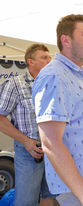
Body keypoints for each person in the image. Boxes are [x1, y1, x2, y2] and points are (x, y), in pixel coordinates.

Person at [32, 14, 83, 206]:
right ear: (66, 40)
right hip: (78, 189)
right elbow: (50, 142)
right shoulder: (54, 76)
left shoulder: (77, 74)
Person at [0, 44, 55, 206]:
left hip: (53, 150)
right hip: (29, 151)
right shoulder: (15, 84)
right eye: (44, 57)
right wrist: (26, 141)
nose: (49, 60)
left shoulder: (52, 83)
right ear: (30, 61)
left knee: (49, 194)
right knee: (26, 201)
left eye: (49, 57)